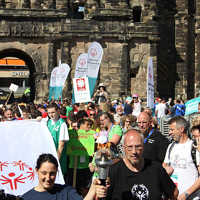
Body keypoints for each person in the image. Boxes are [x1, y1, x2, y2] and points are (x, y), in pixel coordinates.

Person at [106, 129, 178, 200]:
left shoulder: (156, 168)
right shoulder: (114, 171)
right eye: (130, 147)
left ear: (143, 147)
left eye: (138, 146)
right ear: (124, 148)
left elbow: (174, 192)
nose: (134, 151)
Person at [22, 153, 107, 200]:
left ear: (57, 172)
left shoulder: (66, 192)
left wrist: (93, 188)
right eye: (44, 173)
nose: (48, 178)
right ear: (37, 171)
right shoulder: (26, 197)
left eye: (52, 174)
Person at [163, 116, 200, 199]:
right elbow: (164, 167)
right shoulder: (170, 146)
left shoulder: (194, 147)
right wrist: (166, 169)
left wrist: (186, 194)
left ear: (181, 129)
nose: (169, 132)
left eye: (172, 130)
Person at [46, 103, 69, 176]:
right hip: (48, 156)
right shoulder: (47, 122)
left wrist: (56, 161)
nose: (51, 115)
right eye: (49, 113)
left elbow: (61, 145)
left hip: (58, 158)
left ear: (58, 111)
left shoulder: (62, 124)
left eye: (53, 112)